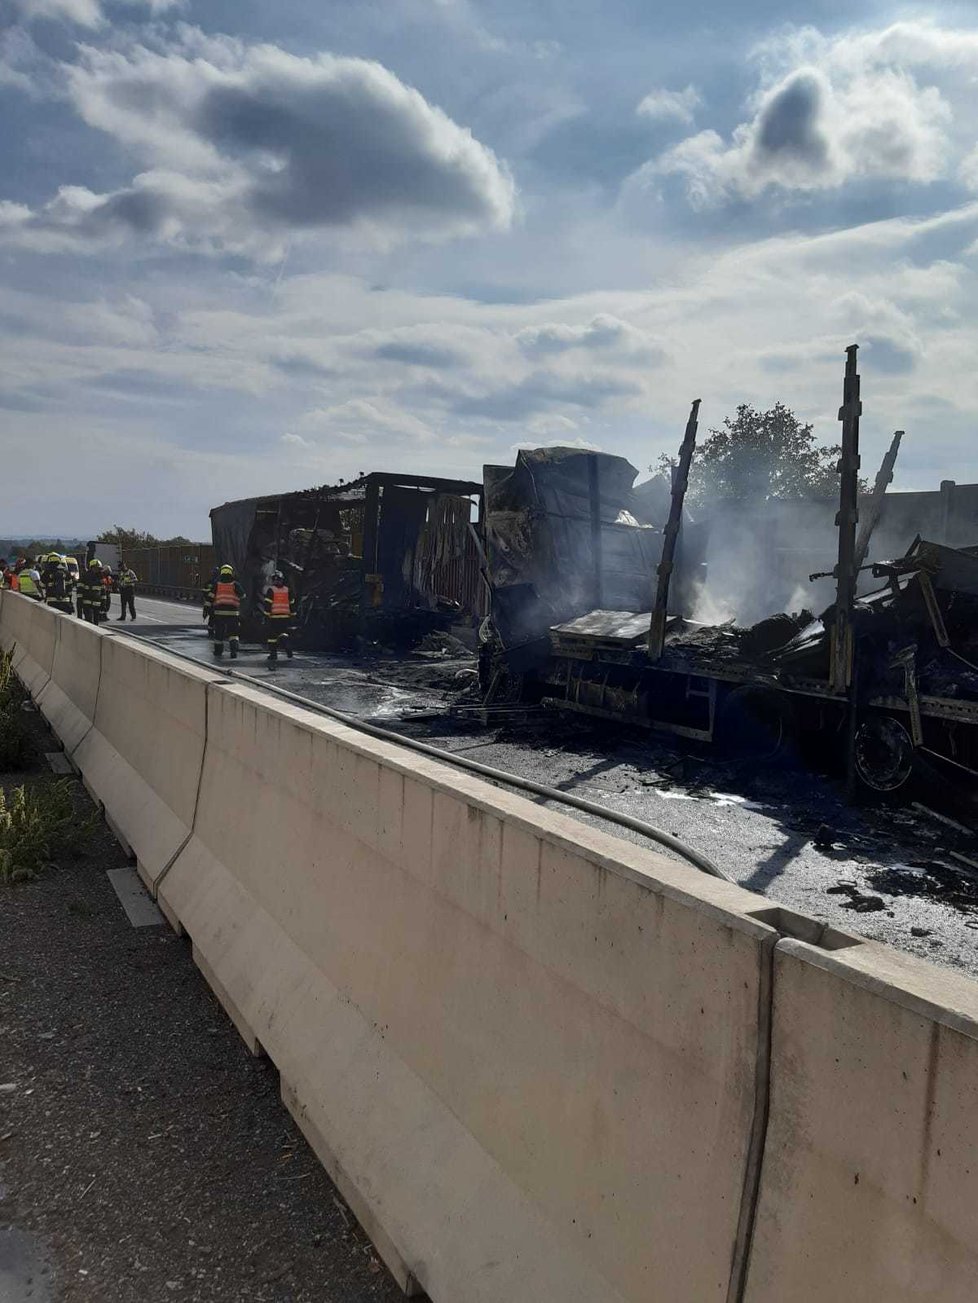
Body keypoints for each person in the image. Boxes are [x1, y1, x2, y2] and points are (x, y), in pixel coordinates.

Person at [204, 564, 244, 658]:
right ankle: (233, 651)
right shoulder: (235, 584)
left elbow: (210, 599)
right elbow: (243, 596)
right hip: (233, 613)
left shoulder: (217, 585)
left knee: (219, 634)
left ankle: (218, 652)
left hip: (219, 613)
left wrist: (206, 610)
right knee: (233, 634)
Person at [262, 571, 296, 668]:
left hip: (274, 617)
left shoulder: (271, 590)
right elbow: (292, 604)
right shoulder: (287, 590)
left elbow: (268, 605)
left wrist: (266, 616)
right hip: (285, 617)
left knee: (272, 637)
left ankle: (273, 655)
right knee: (284, 634)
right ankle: (288, 649)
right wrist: (293, 615)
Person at [79, 558, 110, 625]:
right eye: (96, 568)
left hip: (97, 603)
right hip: (87, 602)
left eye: (99, 568)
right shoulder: (85, 576)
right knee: (89, 620)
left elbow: (103, 592)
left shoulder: (101, 577)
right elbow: (80, 590)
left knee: (96, 623)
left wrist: (103, 604)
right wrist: (80, 601)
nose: (98, 570)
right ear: (92, 568)